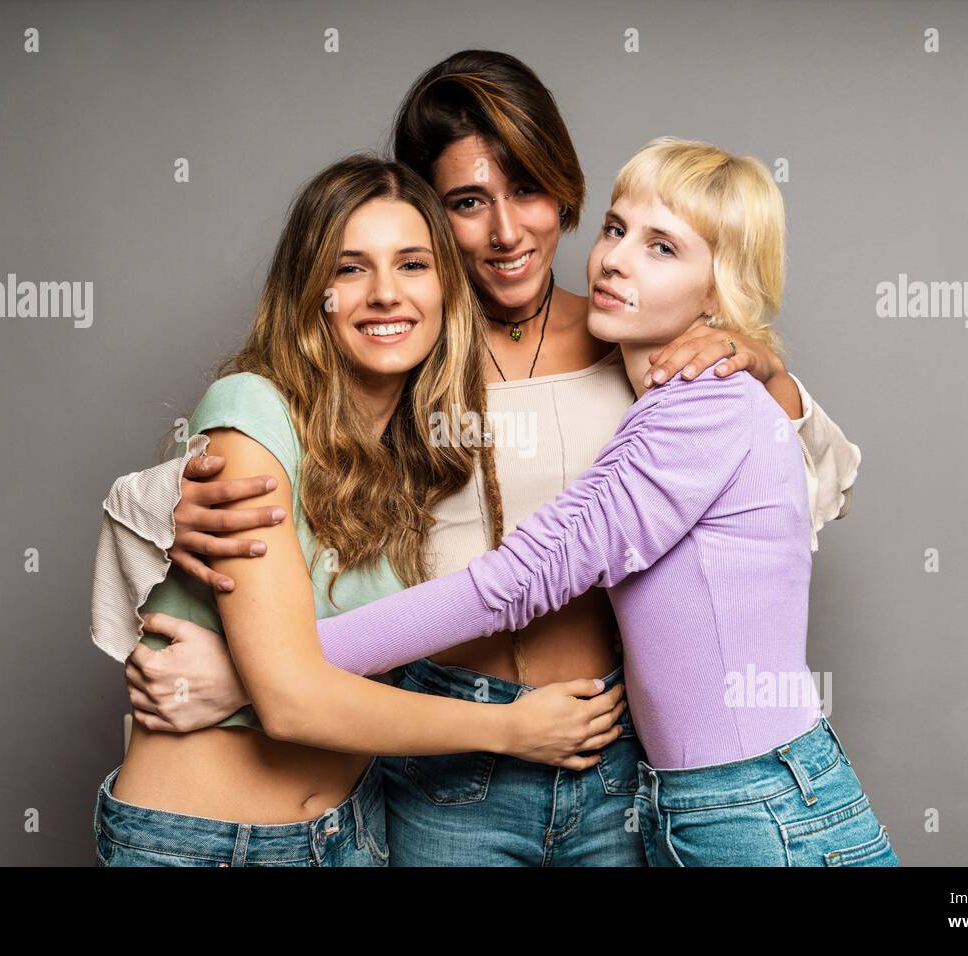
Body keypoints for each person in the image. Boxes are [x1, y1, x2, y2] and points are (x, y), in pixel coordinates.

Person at [105, 51, 861, 866]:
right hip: (441, 759)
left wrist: (759, 361)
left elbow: (790, 482)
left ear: (565, 192)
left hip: (611, 753)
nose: (507, 233)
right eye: (467, 204)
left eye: (529, 191)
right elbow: (270, 471)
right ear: (429, 215)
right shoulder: (396, 353)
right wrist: (196, 514)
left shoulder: (643, 346)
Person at [263, 137, 900, 866]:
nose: (617, 259)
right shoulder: (666, 407)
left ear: (719, 289)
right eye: (616, 229)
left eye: (663, 248)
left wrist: (279, 665)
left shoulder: (704, 407)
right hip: (702, 802)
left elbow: (516, 582)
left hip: (758, 809)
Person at [90, 154, 625, 867]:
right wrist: (510, 729)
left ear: (445, 289)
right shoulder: (253, 408)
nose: (384, 294)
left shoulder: (408, 456)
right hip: (209, 847)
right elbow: (292, 702)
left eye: (412, 265)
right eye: (349, 269)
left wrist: (234, 675)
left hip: (353, 834)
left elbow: (347, 649)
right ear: (314, 293)